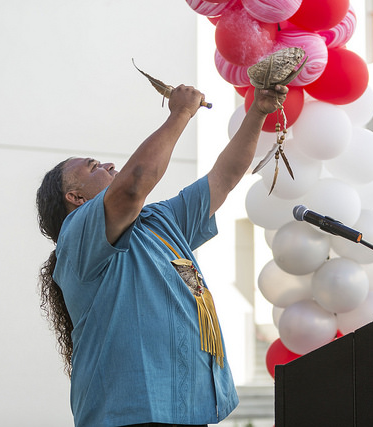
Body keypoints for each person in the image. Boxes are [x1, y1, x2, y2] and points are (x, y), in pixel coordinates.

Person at [36, 83, 288, 427]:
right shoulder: (78, 234)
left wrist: (258, 110)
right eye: (93, 166)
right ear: (76, 198)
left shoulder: (158, 220)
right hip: (128, 414)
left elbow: (226, 176)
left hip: (186, 410)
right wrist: (181, 112)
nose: (109, 164)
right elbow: (135, 182)